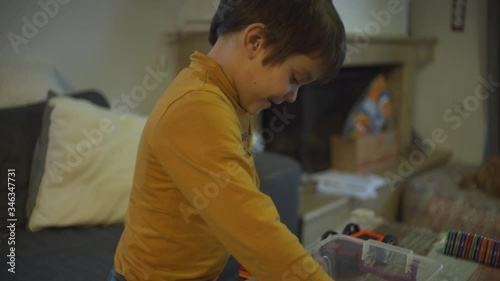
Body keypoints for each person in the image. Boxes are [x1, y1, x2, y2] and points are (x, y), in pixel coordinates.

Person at [110, 0, 346, 280]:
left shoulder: (228, 98)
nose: (292, 96)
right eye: (294, 78)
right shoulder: (197, 107)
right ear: (255, 41)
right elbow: (251, 225)